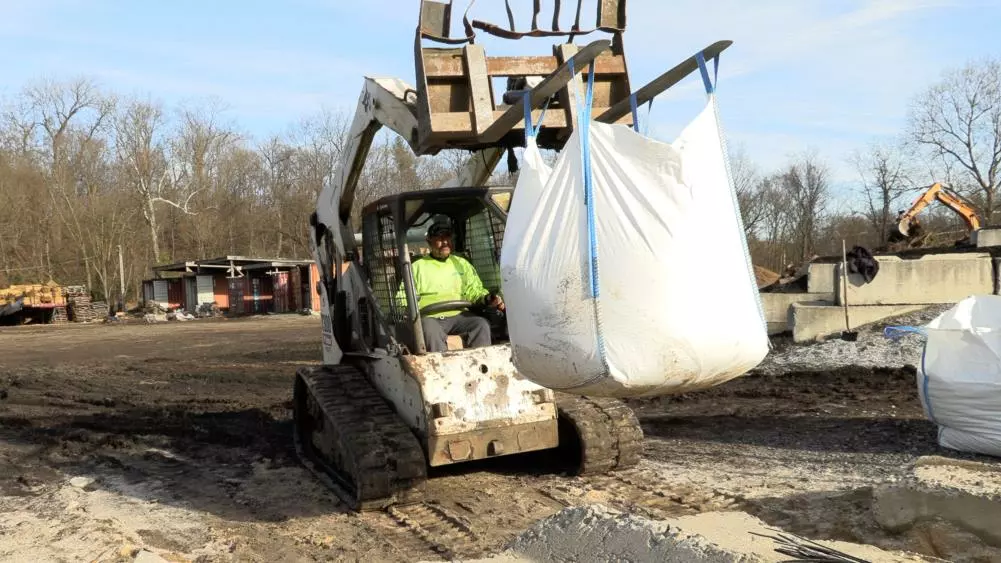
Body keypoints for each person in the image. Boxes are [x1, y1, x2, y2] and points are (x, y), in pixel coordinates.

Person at [397, 217, 505, 352]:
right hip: (430, 317)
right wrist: (407, 308)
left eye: (447, 237)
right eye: (440, 238)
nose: (445, 242)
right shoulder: (417, 267)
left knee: (481, 324)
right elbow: (403, 297)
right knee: (429, 330)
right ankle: (440, 364)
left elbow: (474, 290)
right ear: (429, 241)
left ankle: (482, 363)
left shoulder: (461, 263)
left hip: (460, 315)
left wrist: (487, 298)